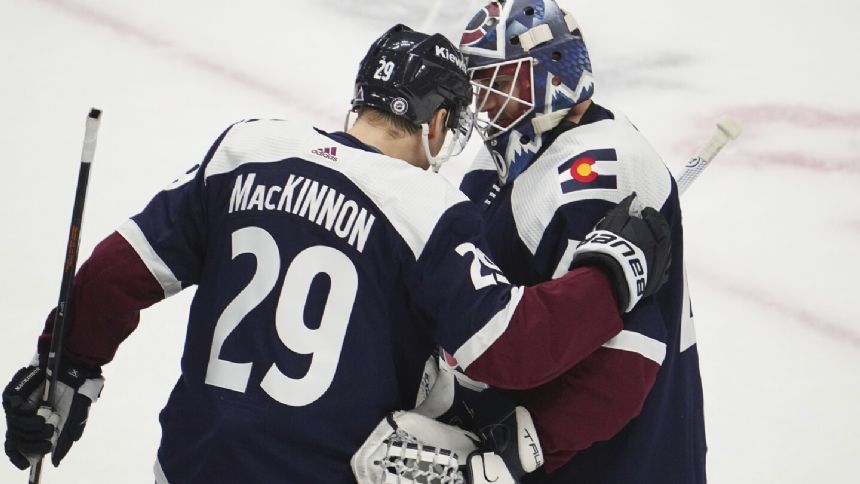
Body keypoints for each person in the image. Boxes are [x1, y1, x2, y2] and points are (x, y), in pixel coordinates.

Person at [2, 25, 671, 483]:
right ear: (437, 124)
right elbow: (515, 348)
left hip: (189, 467)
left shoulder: (245, 148)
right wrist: (614, 271)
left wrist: (63, 368)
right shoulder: (428, 211)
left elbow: (115, 274)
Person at [438, 1, 707, 483]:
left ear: (553, 74)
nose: (484, 101)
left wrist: (520, 449)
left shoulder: (608, 169)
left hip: (615, 466)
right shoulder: (501, 155)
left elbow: (627, 359)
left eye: (500, 83)